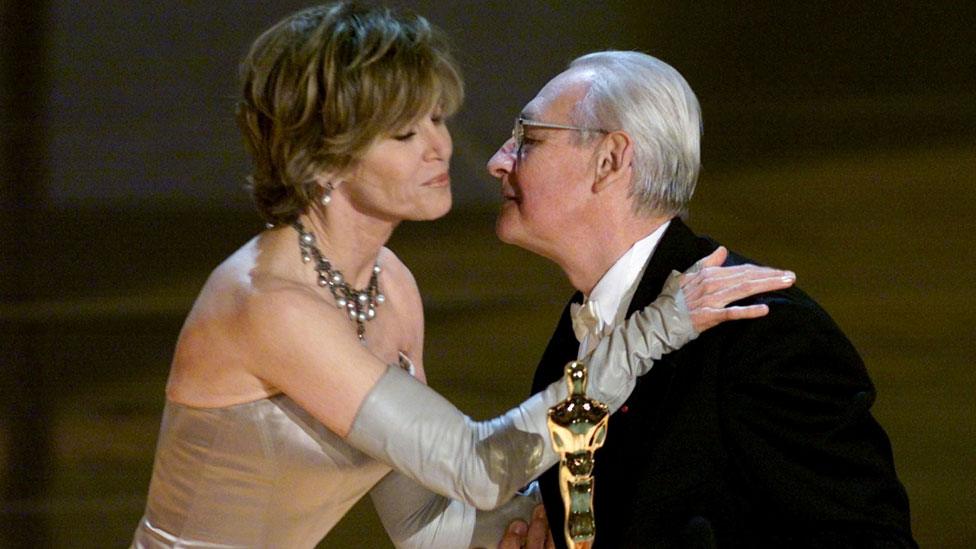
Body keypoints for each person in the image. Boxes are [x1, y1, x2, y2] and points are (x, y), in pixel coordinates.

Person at [129, 5, 796, 548]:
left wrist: (552, 528)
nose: (441, 146)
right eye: (402, 133)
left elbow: (424, 519)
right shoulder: (269, 304)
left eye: (437, 118)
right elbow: (477, 465)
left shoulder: (389, 284)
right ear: (320, 160)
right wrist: (657, 329)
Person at [487, 51, 917, 548]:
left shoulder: (764, 334)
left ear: (609, 160)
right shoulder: (578, 331)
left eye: (528, 138)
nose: (497, 161)